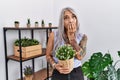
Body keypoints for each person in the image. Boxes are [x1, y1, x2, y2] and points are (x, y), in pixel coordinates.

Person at [46, 7, 87, 80]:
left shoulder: (82, 37)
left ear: (76, 19)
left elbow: (80, 57)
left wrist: (72, 39)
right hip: (58, 73)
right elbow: (48, 56)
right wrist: (54, 65)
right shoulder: (54, 35)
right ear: (62, 21)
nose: (71, 20)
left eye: (73, 17)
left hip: (76, 72)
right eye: (66, 18)